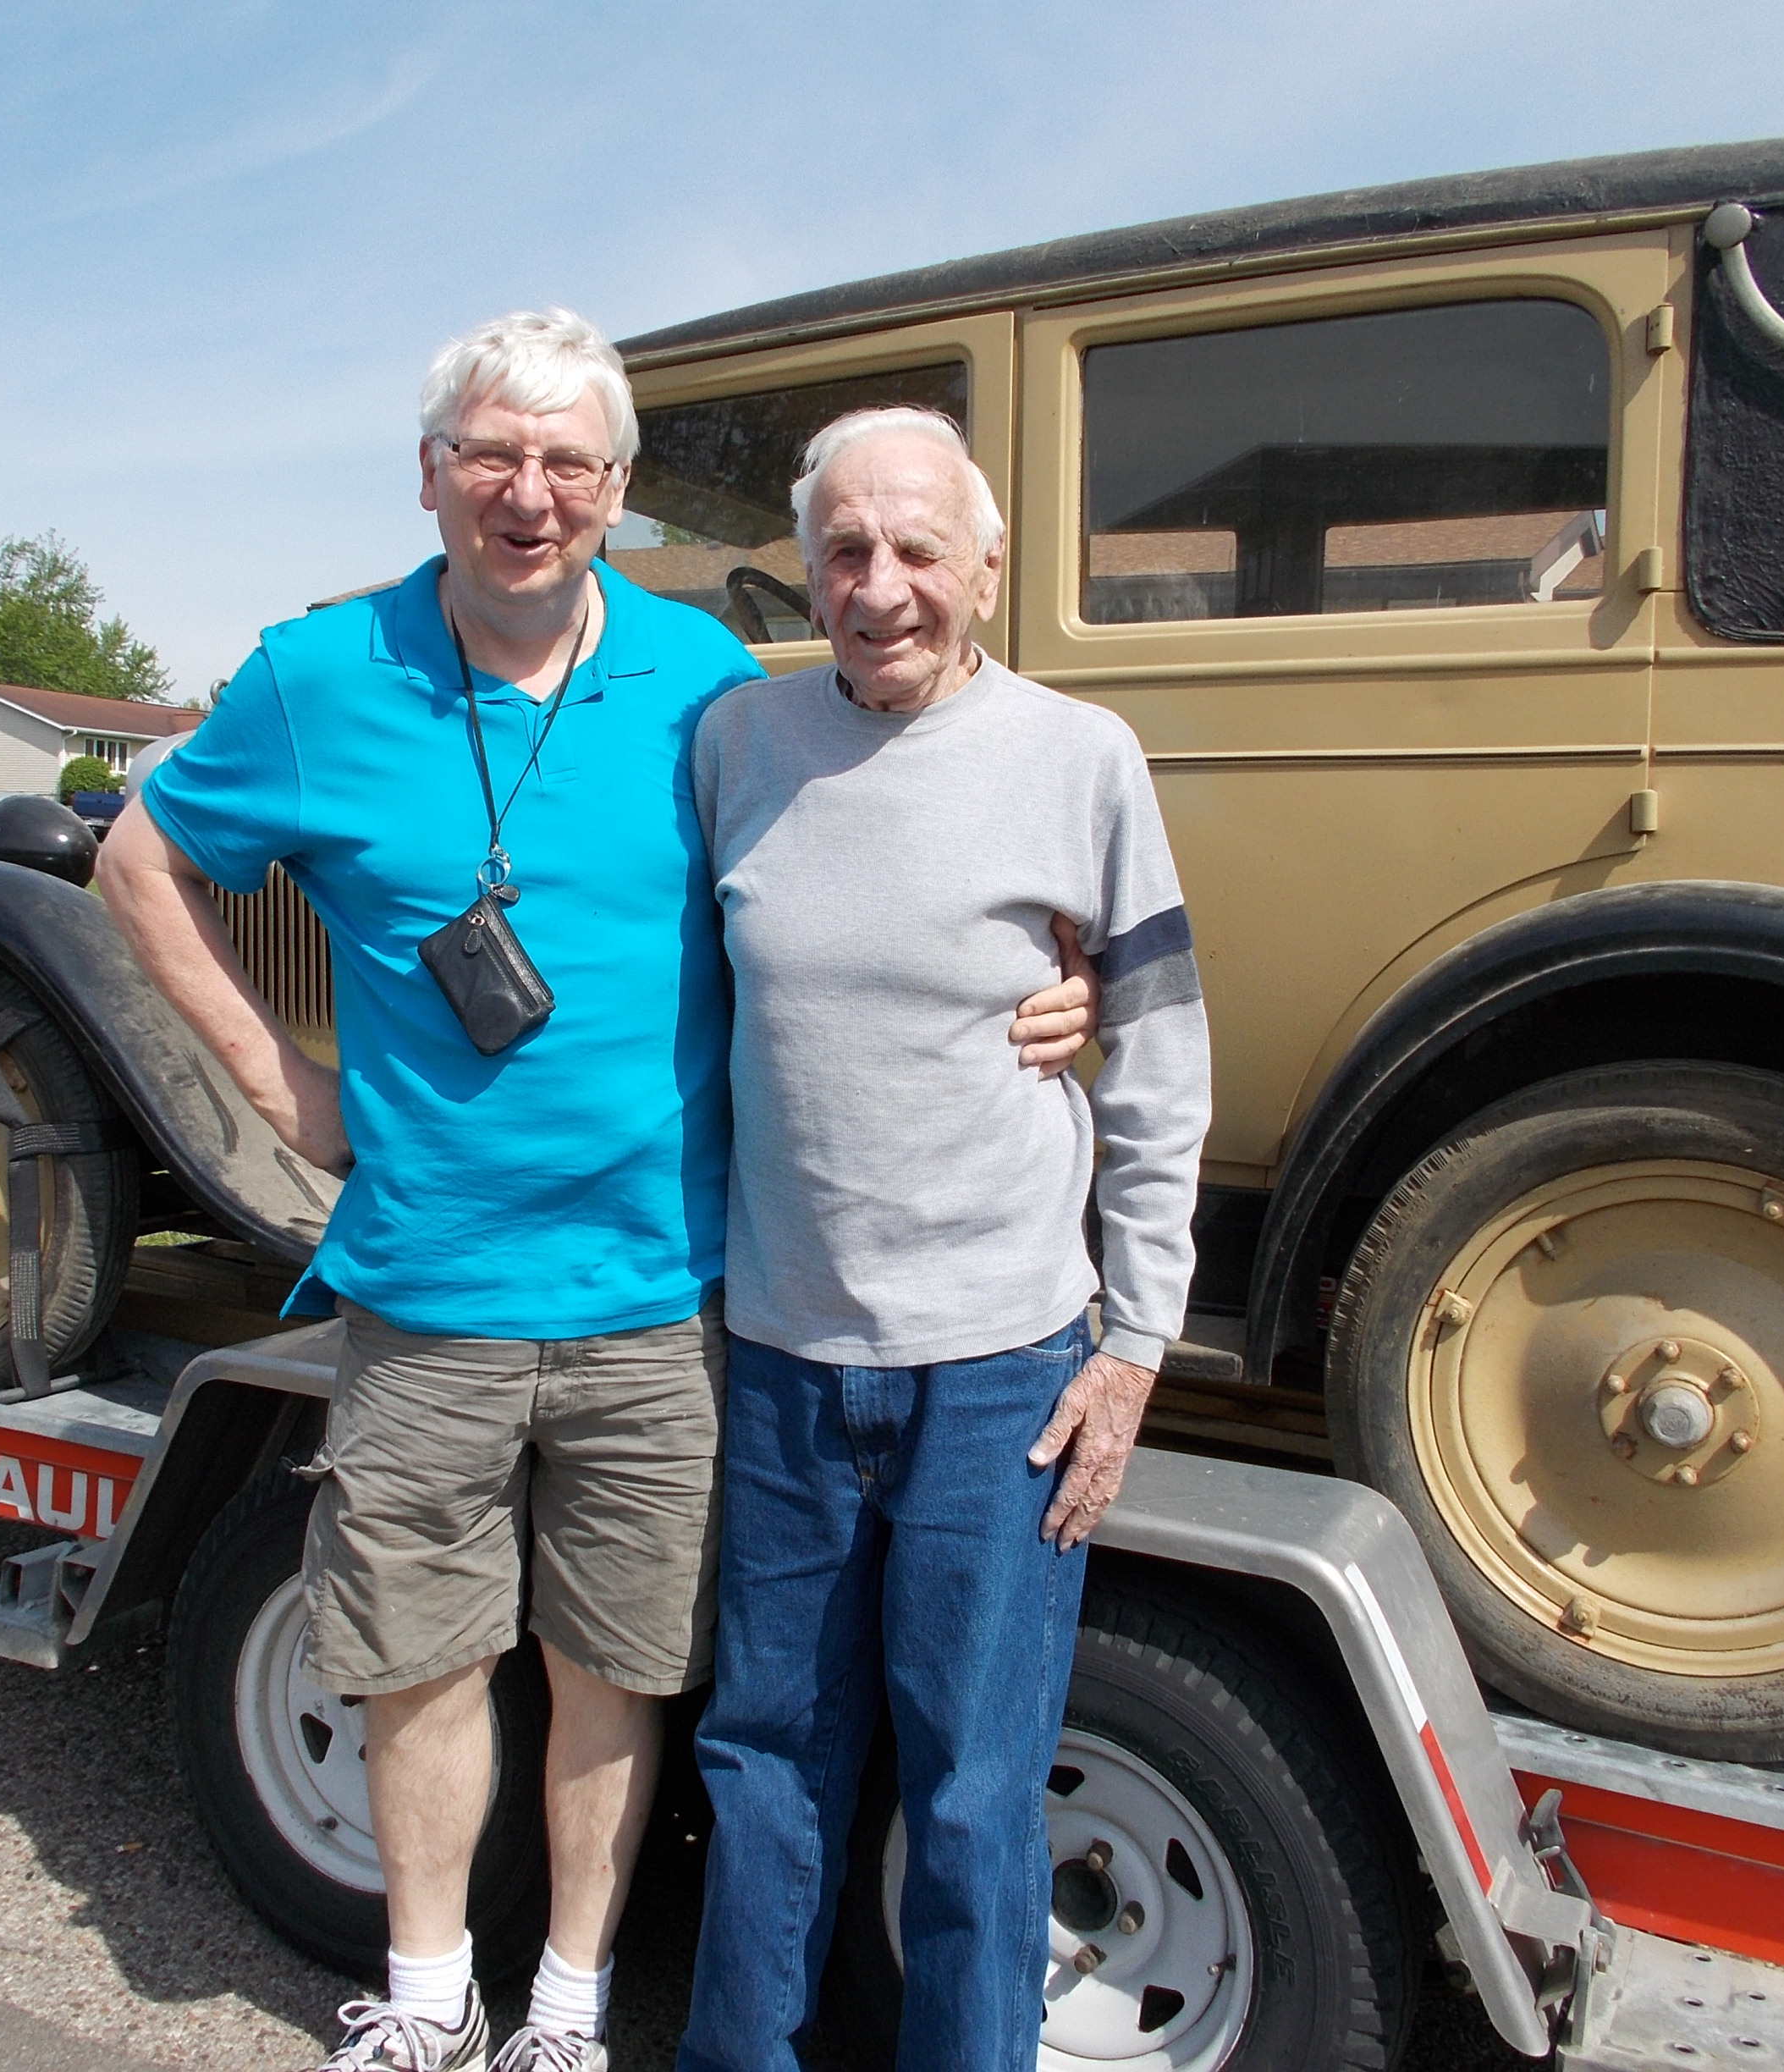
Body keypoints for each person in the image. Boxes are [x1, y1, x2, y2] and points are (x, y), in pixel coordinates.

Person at [95, 317, 1092, 2072]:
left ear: (618, 494)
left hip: (662, 1287)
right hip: (426, 1281)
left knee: (614, 1667)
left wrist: (1047, 966)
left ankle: (564, 2009)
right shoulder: (319, 677)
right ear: (433, 473)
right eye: (491, 453)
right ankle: (425, 2003)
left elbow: (885, 810)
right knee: (418, 1660)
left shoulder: (707, 684)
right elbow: (139, 857)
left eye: (569, 464)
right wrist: (281, 1085)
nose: (528, 493)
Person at [675, 407, 1214, 2072]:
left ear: (987, 564)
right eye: (845, 550)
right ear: (808, 569)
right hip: (781, 1361)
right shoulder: (737, 747)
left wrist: (1133, 1350)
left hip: (1001, 1376)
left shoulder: (1081, 759)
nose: (881, 587)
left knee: (976, 1790)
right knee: (765, 1766)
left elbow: (1166, 1060)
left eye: (919, 551)